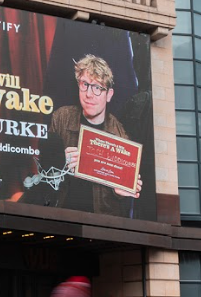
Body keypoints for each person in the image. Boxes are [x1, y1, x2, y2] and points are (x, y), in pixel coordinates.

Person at [43, 54, 142, 216]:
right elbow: (43, 174)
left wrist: (120, 192)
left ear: (109, 95)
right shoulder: (61, 117)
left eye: (98, 88)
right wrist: (59, 163)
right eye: (85, 84)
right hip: (60, 213)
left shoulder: (120, 135)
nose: (89, 94)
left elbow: (122, 203)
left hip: (99, 222)